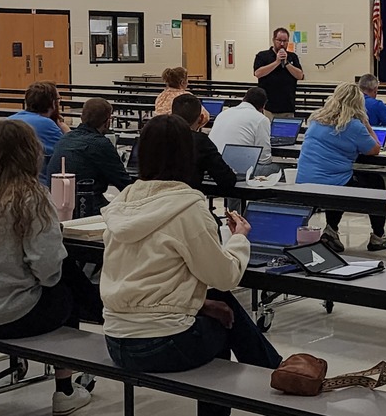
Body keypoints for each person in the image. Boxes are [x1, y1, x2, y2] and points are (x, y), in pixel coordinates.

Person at [100, 115, 282, 416]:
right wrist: (239, 239)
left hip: (117, 339)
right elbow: (224, 276)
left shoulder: (121, 205)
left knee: (220, 305)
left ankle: (278, 370)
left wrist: (202, 304)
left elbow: (147, 279)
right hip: (162, 344)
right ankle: (278, 376)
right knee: (226, 322)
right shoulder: (188, 209)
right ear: (188, 155)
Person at [0, 120, 103, 415]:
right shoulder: (32, 198)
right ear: (31, 153)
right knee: (67, 286)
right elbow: (49, 268)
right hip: (13, 315)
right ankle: (64, 389)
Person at [295, 83, 385, 253]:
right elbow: (375, 148)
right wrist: (365, 122)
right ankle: (378, 236)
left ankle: (332, 230)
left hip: (304, 179)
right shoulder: (354, 125)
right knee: (376, 182)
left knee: (342, 180)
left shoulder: (316, 119)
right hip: (332, 181)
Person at [43, 98, 132, 209]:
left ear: (82, 117)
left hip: (57, 204)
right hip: (85, 206)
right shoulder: (100, 144)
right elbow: (123, 183)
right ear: (108, 121)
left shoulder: (65, 138)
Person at [209, 87, 279, 177]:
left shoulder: (223, 113)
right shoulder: (261, 119)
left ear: (244, 99)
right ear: (263, 107)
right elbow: (264, 159)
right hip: (237, 170)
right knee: (276, 169)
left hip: (213, 165)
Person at [171, 94, 236, 192]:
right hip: (186, 199)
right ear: (201, 118)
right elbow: (226, 180)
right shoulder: (201, 142)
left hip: (150, 200)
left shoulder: (155, 136)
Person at [8, 81, 70, 158]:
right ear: (53, 103)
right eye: (58, 99)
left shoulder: (9, 120)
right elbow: (70, 151)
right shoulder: (46, 124)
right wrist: (66, 130)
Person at [253, 27, 304, 119]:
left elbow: (300, 75)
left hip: (288, 105)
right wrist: (276, 62)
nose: (282, 44)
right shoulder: (262, 56)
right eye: (279, 40)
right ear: (273, 40)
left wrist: (287, 63)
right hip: (268, 105)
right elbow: (258, 73)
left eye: (285, 41)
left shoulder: (292, 57)